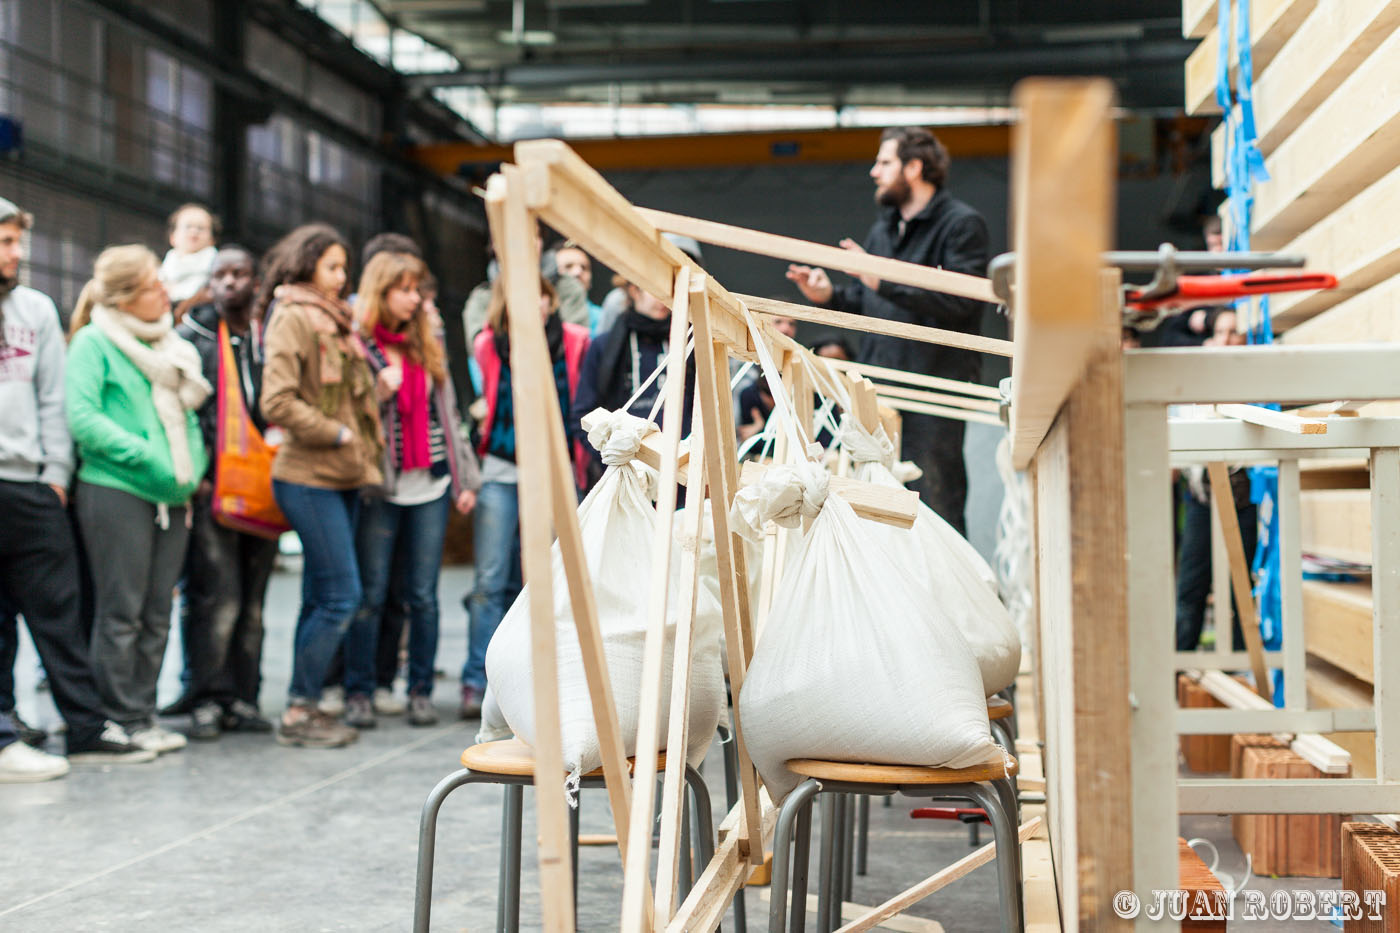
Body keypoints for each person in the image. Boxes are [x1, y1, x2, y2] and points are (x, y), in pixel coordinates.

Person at [0, 199, 151, 772]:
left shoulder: (35, 310)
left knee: (61, 613)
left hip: (31, 488)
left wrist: (54, 481)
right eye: (6, 242)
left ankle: (86, 727)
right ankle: (6, 730)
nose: (17, 254)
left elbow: (53, 401)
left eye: (18, 242)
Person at [786, 127, 990, 535]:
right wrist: (830, 295)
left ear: (913, 168)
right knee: (879, 508)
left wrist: (880, 279)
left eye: (884, 162)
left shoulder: (961, 225)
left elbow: (962, 303)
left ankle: (945, 597)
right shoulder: (885, 230)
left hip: (932, 392)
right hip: (881, 391)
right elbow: (873, 301)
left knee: (934, 504)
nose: (873, 172)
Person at [67, 244, 211, 756]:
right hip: (117, 491)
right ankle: (119, 717)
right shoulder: (93, 343)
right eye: (154, 285)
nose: (165, 292)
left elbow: (188, 418)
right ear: (127, 296)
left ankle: (143, 712)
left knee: (155, 612)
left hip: (173, 498)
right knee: (121, 611)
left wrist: (189, 469)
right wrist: (151, 457)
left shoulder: (171, 347)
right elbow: (83, 419)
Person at [342, 252, 481, 729]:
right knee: (371, 594)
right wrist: (376, 395)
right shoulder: (359, 346)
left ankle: (419, 690)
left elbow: (449, 415)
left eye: (416, 289)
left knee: (422, 595)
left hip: (432, 485)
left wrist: (464, 479)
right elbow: (347, 417)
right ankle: (360, 690)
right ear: (381, 293)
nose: (413, 298)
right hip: (381, 487)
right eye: (402, 289)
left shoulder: (429, 343)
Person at [259, 224, 383, 748]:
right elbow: (277, 402)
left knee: (320, 596)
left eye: (343, 268)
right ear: (307, 264)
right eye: (333, 266)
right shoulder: (292, 318)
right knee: (341, 597)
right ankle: (299, 710)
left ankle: (302, 704)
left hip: (343, 477)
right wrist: (337, 432)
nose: (341, 278)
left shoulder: (338, 321)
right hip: (307, 477)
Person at [461, 275, 589, 719]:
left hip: (556, 469)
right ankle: (478, 681)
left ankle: (553, 676)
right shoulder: (489, 344)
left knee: (558, 573)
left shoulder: (575, 340)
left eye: (539, 295)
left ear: (550, 301)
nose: (532, 303)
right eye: (522, 295)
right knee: (489, 578)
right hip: (502, 463)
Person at [168, 246, 278, 740]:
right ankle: (207, 696)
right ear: (209, 283)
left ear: (256, 282)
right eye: (220, 275)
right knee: (219, 597)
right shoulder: (191, 338)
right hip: (212, 486)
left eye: (239, 273)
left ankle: (243, 697)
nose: (229, 282)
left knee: (253, 603)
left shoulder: (267, 337)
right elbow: (183, 409)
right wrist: (198, 472)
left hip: (266, 486)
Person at [1175, 307, 1255, 652]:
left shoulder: (1256, 381)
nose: (1225, 339)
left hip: (1243, 501)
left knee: (1241, 590)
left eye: (1233, 332)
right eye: (1220, 332)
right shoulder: (1196, 381)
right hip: (1201, 501)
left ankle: (1242, 669)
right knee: (1191, 587)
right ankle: (1179, 670)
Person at [159, 204, 218, 307]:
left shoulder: (217, 268)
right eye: (188, 226)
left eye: (201, 228)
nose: (194, 231)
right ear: (173, 237)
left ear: (212, 240)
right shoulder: (162, 270)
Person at [553, 241, 605, 334]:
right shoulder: (542, 314)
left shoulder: (603, 318)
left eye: (584, 268)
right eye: (568, 266)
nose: (578, 272)